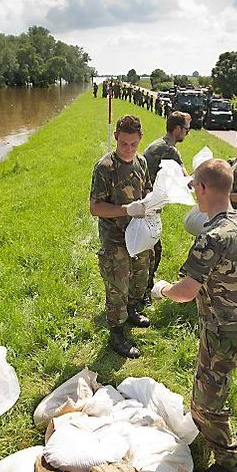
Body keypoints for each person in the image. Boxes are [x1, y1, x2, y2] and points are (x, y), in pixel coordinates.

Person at [149, 158, 237, 472]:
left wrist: (162, 288)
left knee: (207, 403)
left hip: (222, 329)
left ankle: (226, 466)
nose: (194, 192)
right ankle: (206, 443)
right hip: (235, 323)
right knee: (211, 387)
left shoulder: (213, 236)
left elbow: (185, 291)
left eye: (194, 186)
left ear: (205, 188)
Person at [90, 115, 152, 359]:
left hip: (140, 234)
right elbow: (95, 207)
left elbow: (146, 189)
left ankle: (133, 311)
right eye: (124, 143)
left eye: (133, 144)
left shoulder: (142, 162)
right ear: (116, 137)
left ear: (140, 140)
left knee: (139, 278)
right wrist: (126, 210)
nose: (128, 149)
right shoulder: (105, 167)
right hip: (115, 239)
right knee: (117, 286)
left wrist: (152, 202)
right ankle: (116, 333)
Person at [141, 111, 191, 305]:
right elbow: (187, 182)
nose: (187, 133)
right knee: (153, 252)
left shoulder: (157, 144)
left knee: (148, 249)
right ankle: (143, 292)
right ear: (177, 129)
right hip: (148, 208)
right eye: (186, 129)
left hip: (143, 204)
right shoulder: (170, 150)